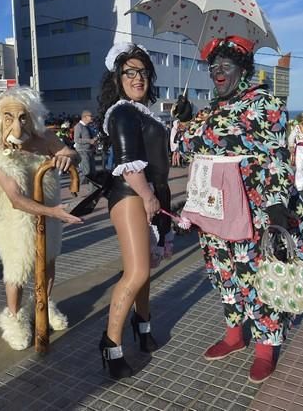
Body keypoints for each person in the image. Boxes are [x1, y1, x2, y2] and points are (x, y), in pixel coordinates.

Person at [175, 35, 303, 383]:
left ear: (243, 68)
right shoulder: (209, 108)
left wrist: (277, 206)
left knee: (257, 274)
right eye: (213, 66)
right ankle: (234, 336)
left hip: (253, 205)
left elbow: (275, 155)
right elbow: (190, 146)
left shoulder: (263, 102)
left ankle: (266, 349)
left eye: (226, 65)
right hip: (214, 206)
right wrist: (185, 119)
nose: (218, 71)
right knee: (224, 271)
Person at [0, 87, 82, 350]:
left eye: (22, 116)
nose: (17, 123)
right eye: (8, 116)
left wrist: (66, 158)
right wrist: (56, 213)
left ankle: (43, 306)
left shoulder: (44, 138)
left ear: (31, 116)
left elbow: (74, 154)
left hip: (48, 217)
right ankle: (13, 318)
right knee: (17, 269)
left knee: (48, 262)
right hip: (14, 223)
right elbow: (16, 199)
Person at [96, 42, 172, 379]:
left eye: (142, 72)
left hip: (147, 196)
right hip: (130, 194)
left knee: (145, 272)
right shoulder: (122, 111)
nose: (138, 78)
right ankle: (110, 343)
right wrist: (147, 195)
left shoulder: (142, 112)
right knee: (137, 272)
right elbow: (128, 164)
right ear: (118, 77)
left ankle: (142, 328)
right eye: (130, 72)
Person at [73, 110, 98, 191]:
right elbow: (76, 140)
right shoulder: (78, 126)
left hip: (90, 151)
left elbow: (90, 138)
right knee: (86, 172)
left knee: (93, 172)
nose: (92, 117)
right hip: (82, 151)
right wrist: (89, 141)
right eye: (90, 116)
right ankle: (74, 186)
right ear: (85, 117)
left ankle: (93, 190)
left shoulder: (88, 126)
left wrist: (94, 141)